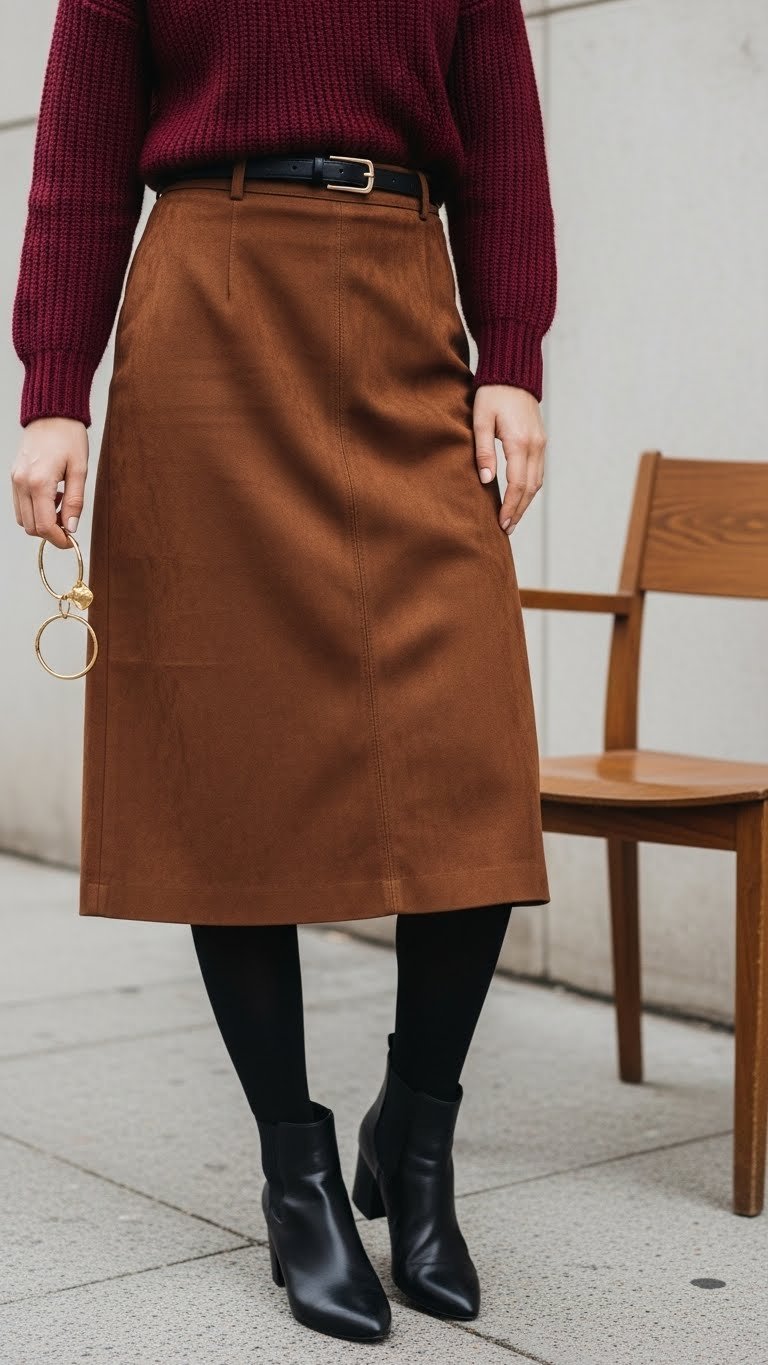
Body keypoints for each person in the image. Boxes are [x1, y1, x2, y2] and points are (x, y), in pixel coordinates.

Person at [10, 0, 557, 1345]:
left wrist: (517, 356)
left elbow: (502, 141)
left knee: (472, 750)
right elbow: (79, 160)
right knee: (230, 750)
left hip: (399, 295)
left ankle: (414, 1135)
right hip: (210, 301)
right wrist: (54, 391)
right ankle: (297, 1167)